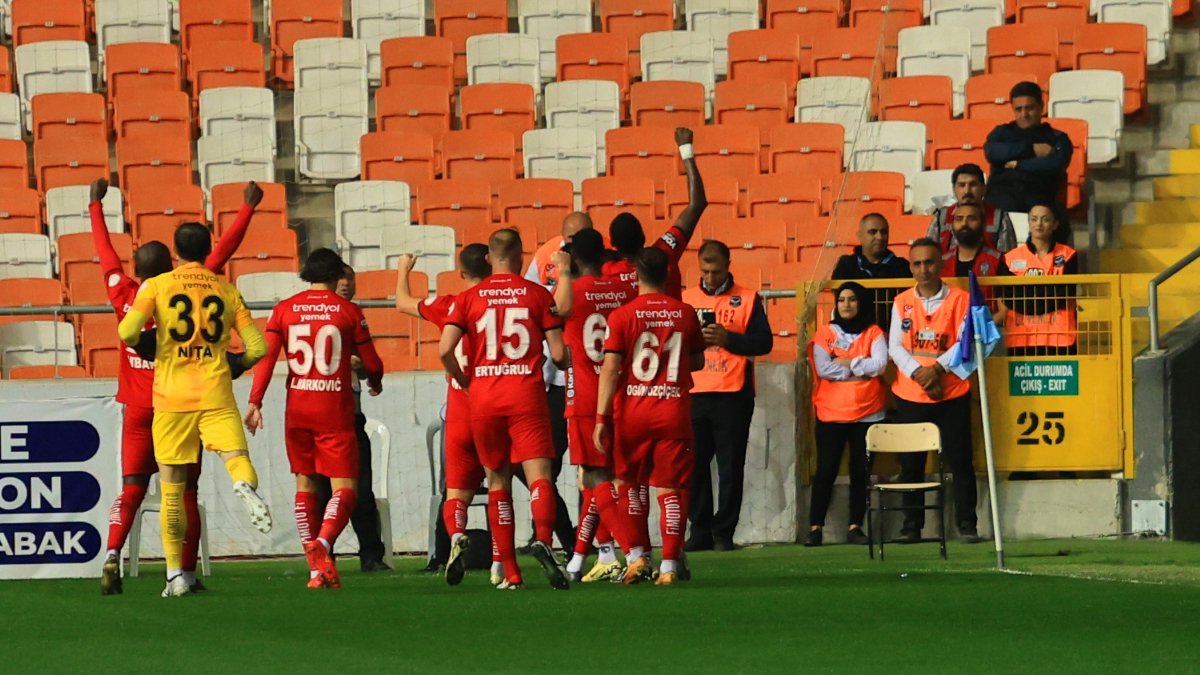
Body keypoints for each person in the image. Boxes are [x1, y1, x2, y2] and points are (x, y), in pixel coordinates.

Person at [93, 178, 262, 595]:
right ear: (171, 264)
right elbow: (219, 254)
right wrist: (246, 210)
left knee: (133, 488)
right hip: (178, 400)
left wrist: (95, 206)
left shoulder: (123, 293)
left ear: (136, 270)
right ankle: (183, 573)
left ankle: (113, 553)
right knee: (186, 490)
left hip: (136, 409)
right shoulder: (180, 288)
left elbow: (105, 255)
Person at [243, 250, 384, 589]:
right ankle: (323, 543)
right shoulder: (348, 311)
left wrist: (254, 401)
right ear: (337, 275)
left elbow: (266, 357)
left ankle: (315, 571)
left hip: (298, 409)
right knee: (346, 489)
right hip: (333, 408)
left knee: (305, 485)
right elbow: (373, 363)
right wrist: (374, 381)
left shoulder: (285, 309)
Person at [439, 228, 571, 590]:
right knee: (539, 476)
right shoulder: (537, 295)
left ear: (487, 259)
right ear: (521, 254)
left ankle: (510, 572)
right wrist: (568, 362)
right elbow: (558, 356)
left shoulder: (469, 298)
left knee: (497, 483)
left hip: (484, 399)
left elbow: (444, 349)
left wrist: (464, 380)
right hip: (526, 396)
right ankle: (543, 538)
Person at [595, 247, 707, 585]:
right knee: (671, 489)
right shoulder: (684, 313)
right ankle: (670, 567)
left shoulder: (622, 316)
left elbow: (611, 367)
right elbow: (698, 362)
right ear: (667, 275)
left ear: (636, 276)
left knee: (629, 485)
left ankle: (638, 558)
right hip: (672, 410)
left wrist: (601, 417)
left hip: (633, 413)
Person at [395, 245, 499, 586]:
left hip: (457, 411)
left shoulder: (450, 304)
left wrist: (404, 270)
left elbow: (402, 303)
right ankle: (501, 562)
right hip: (491, 407)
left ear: (461, 272)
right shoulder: (499, 303)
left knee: (455, 492)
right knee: (499, 487)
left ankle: (456, 536)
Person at [551, 228, 635, 583]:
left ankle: (632, 554)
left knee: (593, 478)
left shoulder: (571, 293)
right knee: (610, 480)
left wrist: (561, 271)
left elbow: (557, 355)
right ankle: (588, 557)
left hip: (585, 396)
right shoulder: (625, 291)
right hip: (623, 393)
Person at [681, 241, 773, 552]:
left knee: (730, 467)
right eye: (705, 271)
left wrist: (728, 339)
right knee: (694, 465)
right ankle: (700, 529)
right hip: (694, 391)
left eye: (716, 271)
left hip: (733, 393)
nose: (709, 277)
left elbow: (763, 343)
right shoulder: (685, 299)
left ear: (728, 265)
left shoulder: (747, 298)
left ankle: (724, 532)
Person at [887, 239, 981, 544]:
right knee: (910, 463)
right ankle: (911, 526)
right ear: (910, 266)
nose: (923, 269)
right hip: (911, 394)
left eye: (929, 262)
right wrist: (919, 374)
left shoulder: (960, 299)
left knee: (960, 460)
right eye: (917, 263)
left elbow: (964, 342)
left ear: (941, 264)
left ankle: (967, 526)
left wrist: (936, 370)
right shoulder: (901, 301)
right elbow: (895, 346)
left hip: (951, 392)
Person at [517, 214, 595, 554]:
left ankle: (587, 535)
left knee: (589, 462)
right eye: (568, 239)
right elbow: (533, 302)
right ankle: (545, 531)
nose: (572, 245)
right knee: (545, 462)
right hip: (553, 379)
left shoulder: (597, 258)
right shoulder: (542, 256)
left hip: (586, 376)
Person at [804, 282, 888, 547]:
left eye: (852, 299)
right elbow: (824, 367)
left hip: (869, 412)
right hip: (831, 413)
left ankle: (855, 526)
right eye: (842, 300)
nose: (847, 304)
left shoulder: (874, 332)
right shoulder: (825, 333)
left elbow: (881, 365)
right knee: (825, 470)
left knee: (860, 472)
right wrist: (859, 368)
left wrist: (848, 362)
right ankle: (815, 527)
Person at [325, 264, 391, 573]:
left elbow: (367, 367)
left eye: (350, 277)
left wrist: (362, 369)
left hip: (351, 413)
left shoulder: (353, 315)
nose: (346, 283)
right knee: (326, 490)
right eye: (340, 278)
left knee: (362, 490)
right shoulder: (327, 315)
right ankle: (324, 555)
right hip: (326, 415)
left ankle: (371, 556)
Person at [602, 127, 707, 300]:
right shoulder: (664, 254)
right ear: (643, 237)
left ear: (613, 244)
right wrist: (686, 149)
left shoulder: (606, 273)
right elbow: (697, 204)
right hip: (673, 324)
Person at [983, 81, 1073, 213]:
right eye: (1018, 109)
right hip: (1000, 203)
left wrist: (1018, 164)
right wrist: (1031, 149)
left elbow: (1055, 164)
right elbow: (992, 152)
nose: (1024, 114)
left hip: (1039, 206)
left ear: (1041, 107)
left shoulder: (1057, 137)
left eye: (1029, 108)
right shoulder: (1002, 132)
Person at [1002, 203, 1079, 357]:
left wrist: (1029, 296)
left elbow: (1064, 293)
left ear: (1055, 225)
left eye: (1045, 220)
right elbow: (1009, 298)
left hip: (1060, 337)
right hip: (1022, 336)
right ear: (1029, 223)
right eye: (1034, 219)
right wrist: (1046, 293)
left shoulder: (1068, 255)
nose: (1039, 224)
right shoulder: (1010, 258)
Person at [926, 164, 1017, 254]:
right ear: (954, 189)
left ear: (984, 188)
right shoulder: (941, 217)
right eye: (962, 185)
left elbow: (1008, 258)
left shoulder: (999, 218)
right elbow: (929, 254)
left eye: (973, 185)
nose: (967, 191)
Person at [831, 213, 911, 281]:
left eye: (884, 232)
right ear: (860, 236)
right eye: (872, 232)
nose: (880, 237)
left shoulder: (903, 267)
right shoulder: (846, 266)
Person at [943, 203, 1010, 280]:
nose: (964, 223)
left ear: (984, 224)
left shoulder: (998, 260)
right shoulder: (942, 262)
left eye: (971, 219)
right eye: (959, 219)